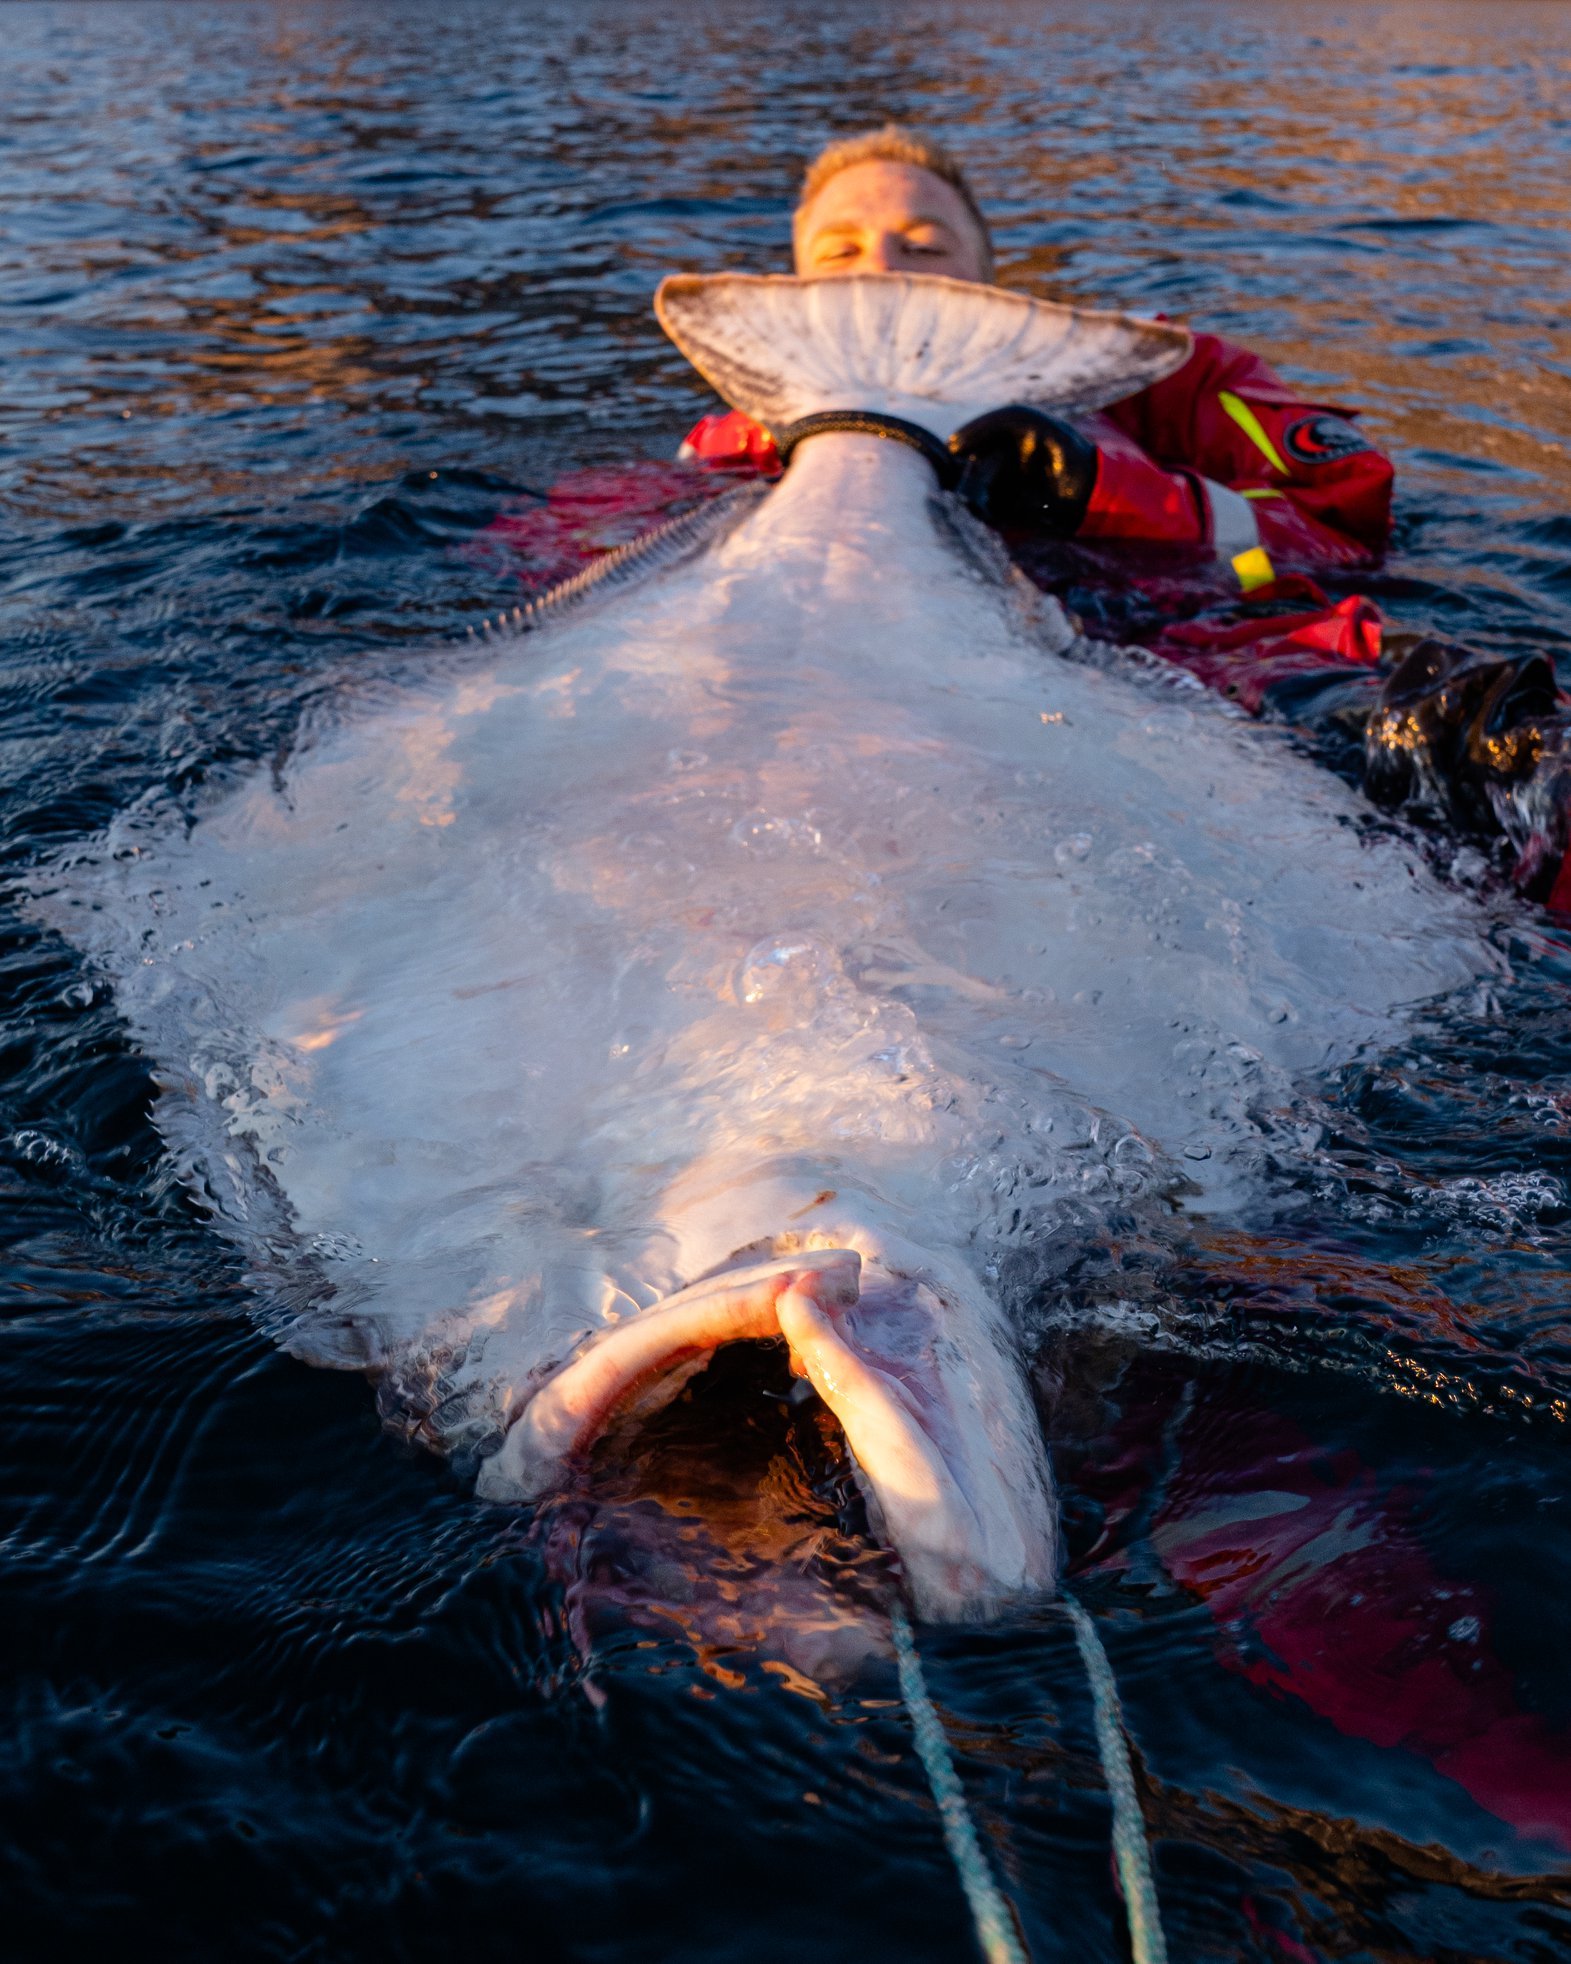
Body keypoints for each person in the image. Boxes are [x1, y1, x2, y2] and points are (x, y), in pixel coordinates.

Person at [480, 125, 1571, 909]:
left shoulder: (1160, 378)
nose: (887, 271)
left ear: (988, 272)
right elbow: (552, 563)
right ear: (796, 287)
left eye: (922, 242)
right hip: (874, 689)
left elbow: (1350, 524)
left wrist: (1112, 492)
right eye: (843, 254)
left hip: (1195, 655)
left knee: (1494, 753)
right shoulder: (736, 437)